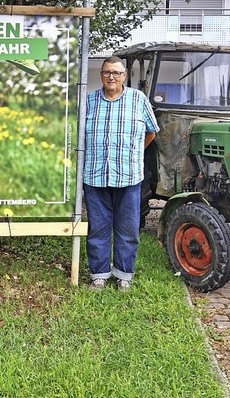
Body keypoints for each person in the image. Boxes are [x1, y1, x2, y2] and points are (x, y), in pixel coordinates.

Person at [84, 56, 160, 292]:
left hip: (128, 176)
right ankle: (99, 275)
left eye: (116, 73)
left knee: (127, 229)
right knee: (98, 228)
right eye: (107, 72)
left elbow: (152, 132)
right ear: (101, 75)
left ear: (124, 76)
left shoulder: (138, 100)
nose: (111, 77)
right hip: (95, 175)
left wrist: (134, 153)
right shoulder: (90, 101)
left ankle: (124, 275)